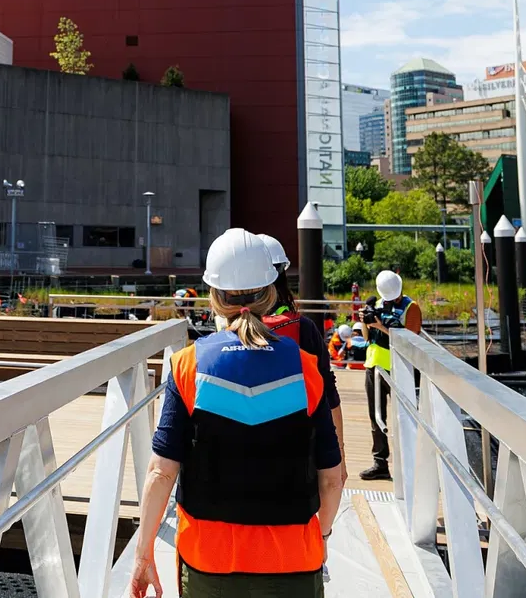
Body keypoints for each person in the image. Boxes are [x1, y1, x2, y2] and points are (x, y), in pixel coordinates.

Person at [130, 228, 343, 598]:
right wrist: (320, 534)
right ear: (271, 292)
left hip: (208, 560)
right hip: (294, 558)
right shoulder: (306, 367)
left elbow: (161, 472)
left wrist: (143, 553)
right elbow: (332, 479)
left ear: (214, 297)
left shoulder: (187, 365)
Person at [258, 234, 346, 483]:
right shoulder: (302, 328)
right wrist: (340, 457)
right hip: (295, 451)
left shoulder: (223, 333)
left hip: (235, 456)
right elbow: (329, 395)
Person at [359, 269, 422, 482]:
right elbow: (368, 337)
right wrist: (365, 323)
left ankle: (411, 466)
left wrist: (382, 326)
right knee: (376, 417)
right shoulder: (377, 305)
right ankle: (380, 463)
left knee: (404, 419)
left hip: (400, 369)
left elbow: (410, 339)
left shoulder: (411, 308)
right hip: (374, 366)